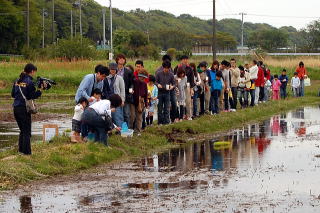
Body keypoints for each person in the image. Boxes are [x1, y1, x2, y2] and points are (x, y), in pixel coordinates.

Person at [11, 63, 44, 155]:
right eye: (34, 72)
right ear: (32, 71)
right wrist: (40, 90)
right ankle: (27, 153)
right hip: (24, 109)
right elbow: (31, 96)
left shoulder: (17, 80)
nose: (34, 74)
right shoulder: (29, 82)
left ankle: (21, 151)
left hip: (16, 108)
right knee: (26, 132)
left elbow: (13, 94)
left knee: (22, 130)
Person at [102, 62, 125, 127]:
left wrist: (122, 100)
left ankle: (121, 130)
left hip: (117, 100)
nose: (113, 71)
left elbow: (122, 90)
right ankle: (111, 130)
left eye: (114, 69)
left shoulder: (120, 78)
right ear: (109, 70)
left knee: (118, 116)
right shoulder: (105, 78)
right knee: (109, 116)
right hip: (107, 100)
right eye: (111, 69)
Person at [115, 54, 134, 127]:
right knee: (117, 114)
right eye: (120, 58)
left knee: (126, 114)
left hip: (126, 94)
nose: (122, 60)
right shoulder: (114, 70)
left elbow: (132, 83)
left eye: (123, 58)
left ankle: (127, 129)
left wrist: (131, 90)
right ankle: (118, 129)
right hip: (116, 95)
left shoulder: (128, 71)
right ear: (117, 60)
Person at [174, 55, 195, 120]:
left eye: (186, 59)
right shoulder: (177, 67)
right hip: (178, 87)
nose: (185, 60)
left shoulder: (189, 68)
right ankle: (180, 116)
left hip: (187, 86)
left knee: (188, 101)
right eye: (184, 59)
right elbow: (174, 77)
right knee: (179, 102)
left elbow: (191, 79)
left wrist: (191, 89)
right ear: (181, 60)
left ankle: (188, 115)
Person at [155, 60, 175, 125]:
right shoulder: (158, 73)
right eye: (165, 68)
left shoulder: (171, 75)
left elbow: (174, 84)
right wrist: (158, 85)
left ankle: (166, 122)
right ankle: (160, 122)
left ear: (169, 68)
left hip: (167, 93)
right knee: (160, 108)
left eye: (167, 68)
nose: (166, 69)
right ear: (163, 67)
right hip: (160, 93)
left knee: (167, 108)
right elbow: (155, 82)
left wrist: (172, 86)